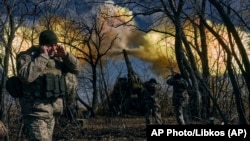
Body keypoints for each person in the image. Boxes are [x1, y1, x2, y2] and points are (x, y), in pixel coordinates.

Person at [16, 29, 81, 140]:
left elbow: (77, 69)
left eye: (55, 45)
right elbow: (26, 76)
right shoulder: (27, 57)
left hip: (52, 114)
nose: (53, 48)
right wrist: (43, 57)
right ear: (42, 45)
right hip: (35, 114)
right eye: (50, 45)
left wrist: (65, 55)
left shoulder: (57, 59)